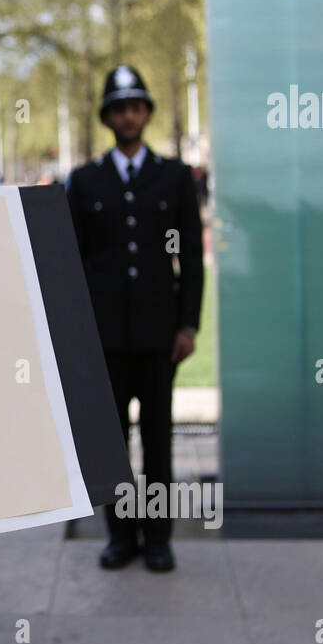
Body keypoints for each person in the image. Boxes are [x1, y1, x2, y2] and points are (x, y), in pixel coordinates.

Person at [66, 65, 203, 572]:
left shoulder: (174, 177)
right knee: (111, 444)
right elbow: (71, 265)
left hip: (158, 335)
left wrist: (188, 324)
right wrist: (75, 333)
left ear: (146, 113)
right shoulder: (84, 181)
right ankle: (120, 536)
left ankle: (160, 539)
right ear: (108, 117)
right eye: (119, 108)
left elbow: (189, 258)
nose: (128, 115)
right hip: (103, 337)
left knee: (161, 440)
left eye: (136, 107)